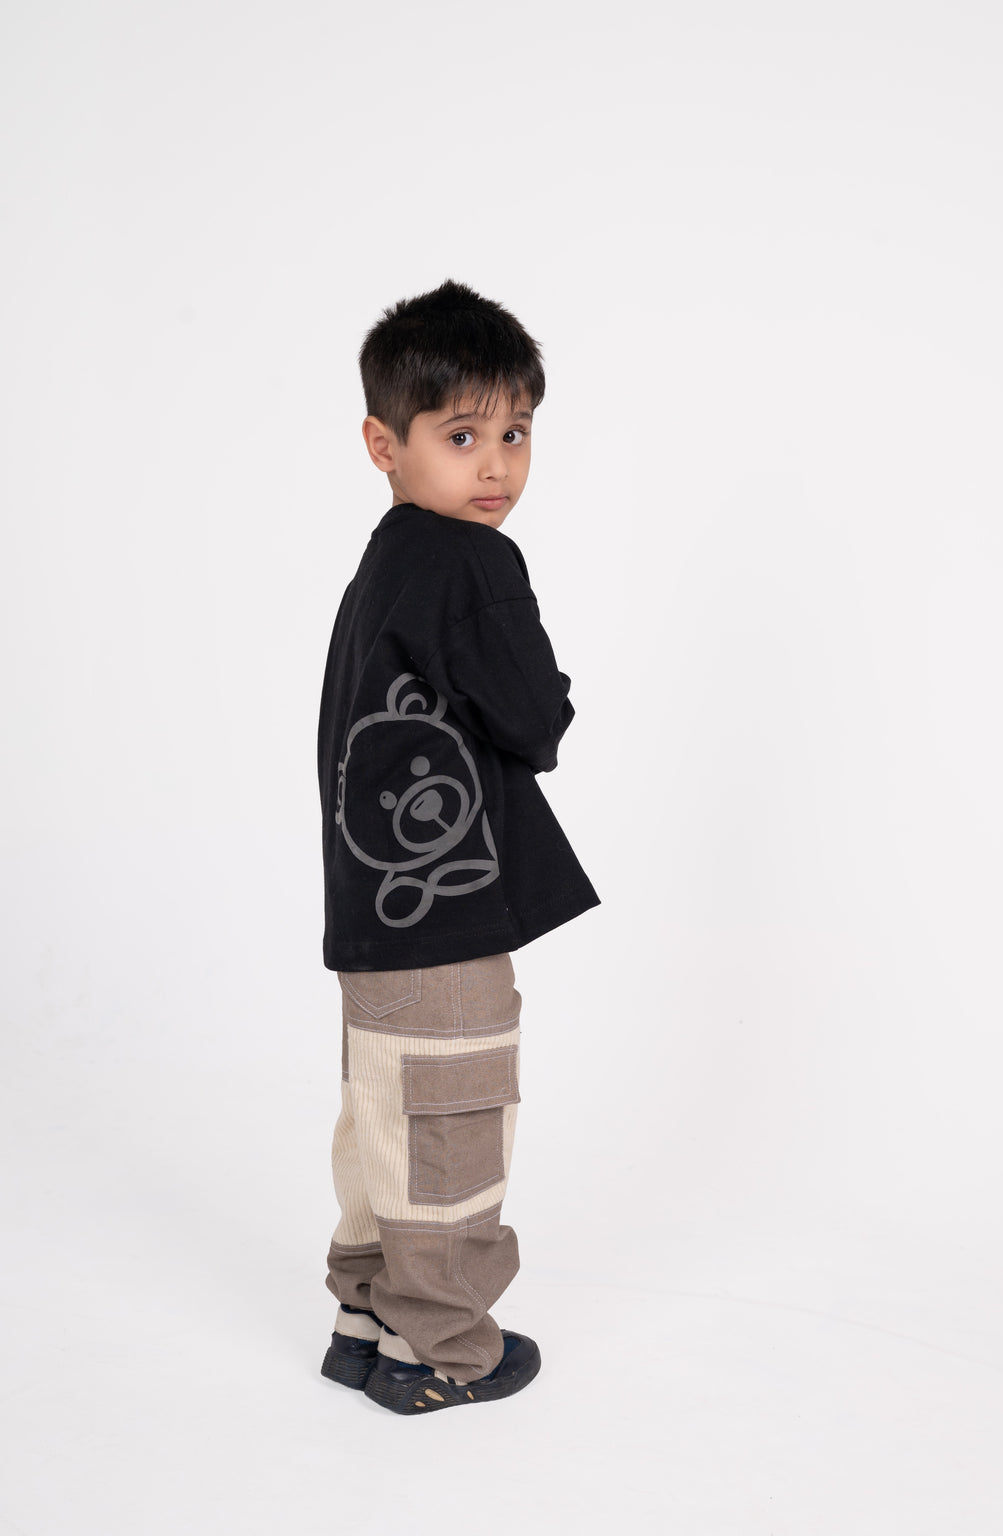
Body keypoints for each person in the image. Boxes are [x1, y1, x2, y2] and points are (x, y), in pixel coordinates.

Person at [317, 279, 599, 1415]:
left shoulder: (387, 559)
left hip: (372, 916)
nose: (495, 466)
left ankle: (364, 1318)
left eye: (515, 433)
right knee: (450, 1127)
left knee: (385, 1115)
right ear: (384, 443)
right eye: (462, 435)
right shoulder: (473, 564)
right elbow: (532, 718)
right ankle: (441, 1352)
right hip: (442, 912)